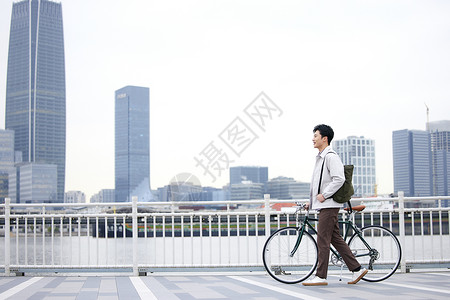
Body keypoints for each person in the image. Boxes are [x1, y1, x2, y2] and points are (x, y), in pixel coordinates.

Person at [302, 124, 367, 286]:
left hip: (329, 204)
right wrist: (311, 202)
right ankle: (357, 269)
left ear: (325, 138)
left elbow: (339, 179)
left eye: (315, 136)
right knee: (335, 238)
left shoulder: (331, 156)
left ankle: (321, 276)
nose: (313, 139)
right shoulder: (321, 158)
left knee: (322, 239)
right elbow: (318, 184)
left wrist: (324, 195)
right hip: (324, 204)